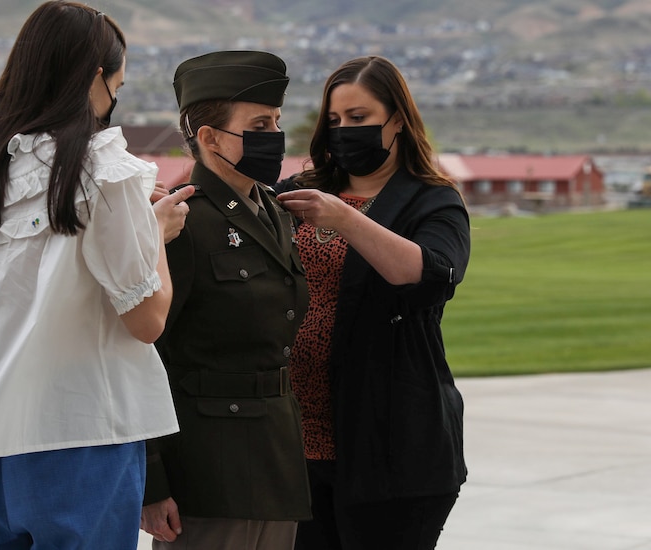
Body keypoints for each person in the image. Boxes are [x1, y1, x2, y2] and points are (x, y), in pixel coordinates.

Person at [0, 2, 192, 548]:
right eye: (117, 85)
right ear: (94, 79)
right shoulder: (103, 170)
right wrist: (153, 235)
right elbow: (147, 319)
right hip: (78, 433)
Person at [275, 55, 472, 550]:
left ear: (398, 119)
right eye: (335, 120)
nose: (344, 130)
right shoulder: (299, 194)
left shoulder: (433, 200)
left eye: (359, 118)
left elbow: (429, 275)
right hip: (296, 445)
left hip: (392, 448)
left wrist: (344, 219)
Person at [140, 51, 311, 549]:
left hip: (274, 460)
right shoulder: (182, 221)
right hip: (206, 472)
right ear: (210, 138)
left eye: (277, 122)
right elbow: (145, 352)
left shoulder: (273, 211)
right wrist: (153, 483)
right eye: (259, 124)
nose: (274, 136)